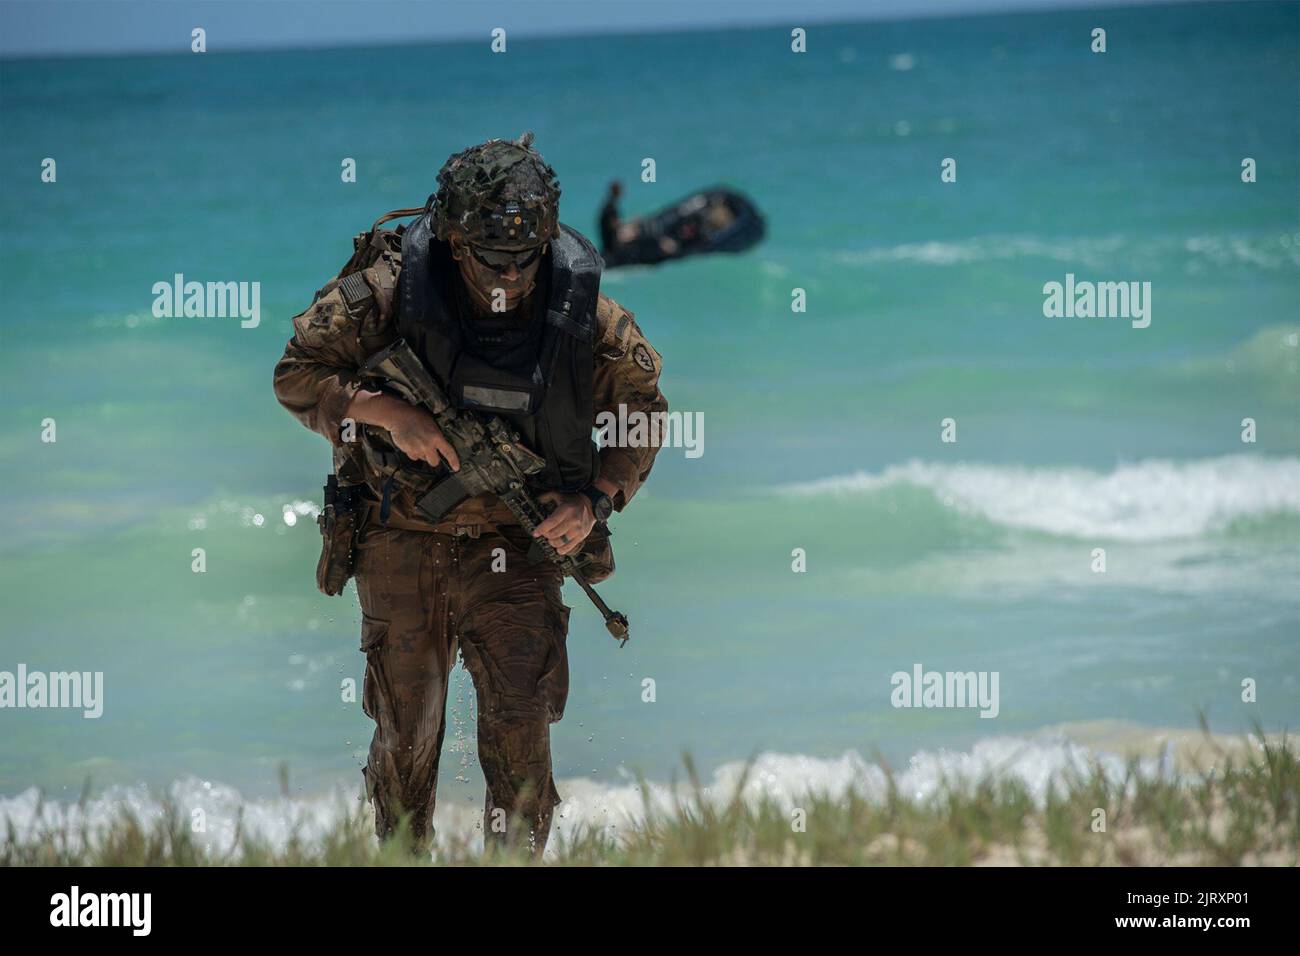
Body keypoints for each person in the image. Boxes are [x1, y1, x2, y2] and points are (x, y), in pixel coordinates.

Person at [272, 132, 668, 856]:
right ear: (453, 241)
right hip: (401, 532)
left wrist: (595, 501)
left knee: (521, 738)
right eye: (491, 258)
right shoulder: (385, 294)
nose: (509, 276)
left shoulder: (587, 317)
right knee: (405, 734)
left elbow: (642, 412)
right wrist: (387, 413)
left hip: (519, 544)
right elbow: (296, 375)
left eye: (524, 259)